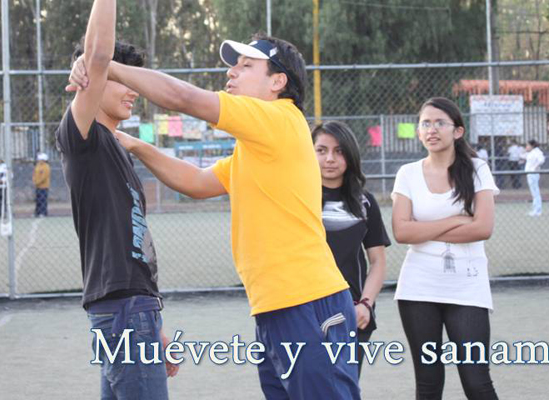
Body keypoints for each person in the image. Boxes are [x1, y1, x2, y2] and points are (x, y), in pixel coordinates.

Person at [67, 33, 361, 399]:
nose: (231, 72)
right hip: (276, 308)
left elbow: (184, 99)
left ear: (277, 82)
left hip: (309, 303)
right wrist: (136, 145)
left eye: (246, 66)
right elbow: (197, 182)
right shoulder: (257, 144)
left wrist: (104, 67)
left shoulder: (280, 118)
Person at [55, 0, 177, 400]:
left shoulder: (119, 149)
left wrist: (155, 322)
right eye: (120, 80)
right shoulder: (82, 137)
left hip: (133, 308)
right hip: (123, 311)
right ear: (93, 79)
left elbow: (136, 249)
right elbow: (99, 55)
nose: (133, 91)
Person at [391, 97, 498, 400]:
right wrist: (455, 220)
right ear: (418, 131)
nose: (432, 129)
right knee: (428, 383)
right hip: (418, 287)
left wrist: (423, 230)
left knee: (477, 382)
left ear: (458, 131)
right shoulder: (407, 173)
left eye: (440, 123)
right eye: (425, 123)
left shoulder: (477, 169)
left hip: (467, 287)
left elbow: (483, 228)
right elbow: (402, 232)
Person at [312, 120, 391, 377]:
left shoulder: (365, 202)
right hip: (306, 309)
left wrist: (365, 304)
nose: (330, 159)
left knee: (344, 386)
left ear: (351, 155)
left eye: (339, 151)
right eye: (321, 150)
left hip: (352, 310)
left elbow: (378, 261)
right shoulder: (298, 199)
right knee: (308, 387)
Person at [523, 140, 545, 217]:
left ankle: (537, 210)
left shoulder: (537, 152)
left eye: (527, 145)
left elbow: (541, 160)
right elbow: (523, 156)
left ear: (531, 146)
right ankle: (535, 209)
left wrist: (534, 167)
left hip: (533, 174)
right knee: (534, 192)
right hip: (530, 174)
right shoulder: (531, 152)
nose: (526, 147)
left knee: (535, 192)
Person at [33, 152, 50, 217]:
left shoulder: (46, 166)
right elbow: (34, 174)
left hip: (44, 186)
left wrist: (37, 182)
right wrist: (34, 181)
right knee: (38, 200)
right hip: (38, 186)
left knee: (43, 200)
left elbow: (44, 177)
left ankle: (43, 212)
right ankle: (37, 212)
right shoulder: (37, 166)